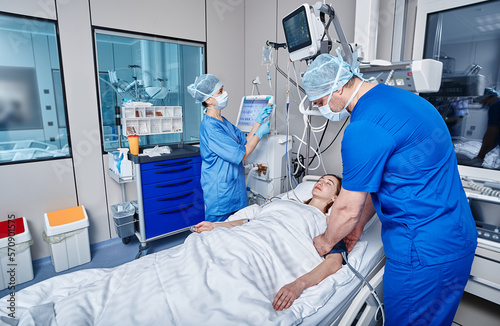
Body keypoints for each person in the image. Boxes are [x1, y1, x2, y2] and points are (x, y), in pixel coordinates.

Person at [301, 51, 478, 326]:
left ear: (336, 88)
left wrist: (326, 241)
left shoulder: (363, 128)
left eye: (321, 101)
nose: (322, 109)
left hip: (423, 255)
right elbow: (381, 180)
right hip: (458, 239)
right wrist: (359, 226)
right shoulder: (408, 101)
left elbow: (346, 208)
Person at [194, 174, 346, 311]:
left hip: (267, 250)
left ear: (334, 198)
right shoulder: (289, 202)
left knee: (228, 276)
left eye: (328, 183)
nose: (321, 182)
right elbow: (253, 220)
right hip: (246, 235)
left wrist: (298, 285)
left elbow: (334, 262)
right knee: (204, 258)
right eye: (320, 179)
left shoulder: (329, 223)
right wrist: (216, 226)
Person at [187, 74, 273, 222]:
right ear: (208, 99)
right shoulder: (211, 128)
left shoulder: (222, 121)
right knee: (216, 236)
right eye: (220, 92)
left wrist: (258, 121)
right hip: (221, 194)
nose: (225, 94)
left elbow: (245, 140)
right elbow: (243, 154)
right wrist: (260, 134)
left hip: (235, 189)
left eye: (223, 89)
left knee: (237, 234)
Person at [473, 87, 500, 165]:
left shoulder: (495, 107)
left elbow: (491, 134)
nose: (482, 104)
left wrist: (480, 157)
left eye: (481, 101)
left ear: (487, 97)